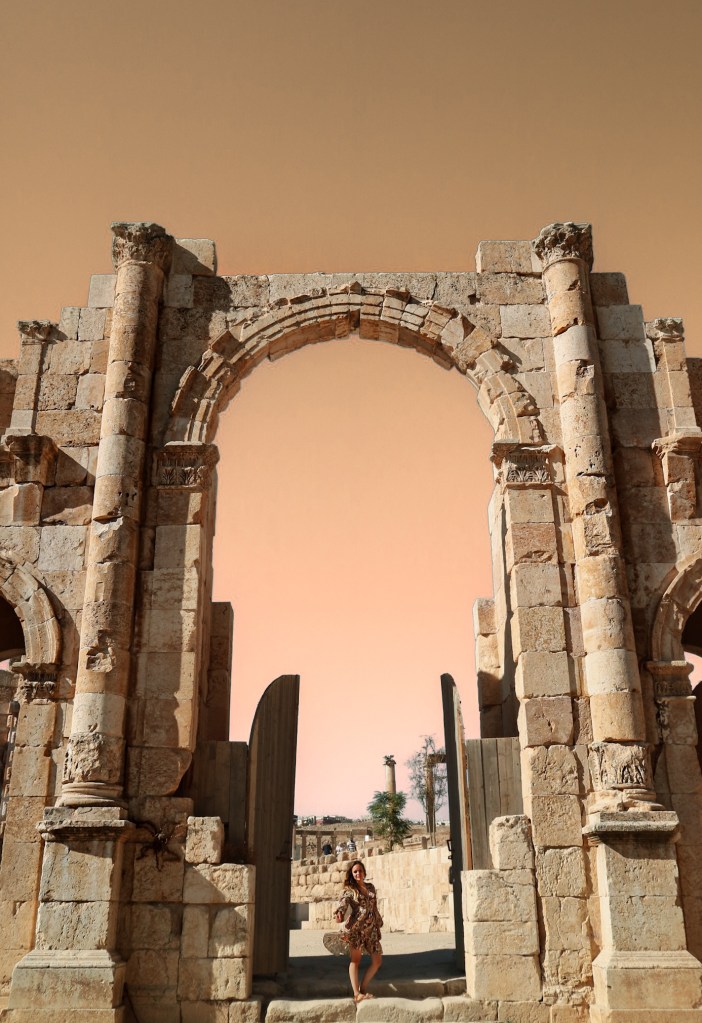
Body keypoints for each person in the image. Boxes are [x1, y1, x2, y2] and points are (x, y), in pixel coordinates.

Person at [333, 859, 383, 1003]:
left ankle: (363, 988)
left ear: (364, 872)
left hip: (371, 929)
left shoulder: (371, 887)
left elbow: (374, 907)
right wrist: (340, 913)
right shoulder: (350, 891)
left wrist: (378, 923)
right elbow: (343, 903)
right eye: (355, 871)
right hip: (356, 930)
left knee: (377, 961)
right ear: (352, 874)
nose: (357, 873)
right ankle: (357, 994)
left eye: (360, 871)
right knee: (356, 960)